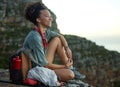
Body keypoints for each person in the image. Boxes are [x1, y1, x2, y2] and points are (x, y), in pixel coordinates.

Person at [23, 2, 85, 82]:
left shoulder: (45, 32)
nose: (50, 19)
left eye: (50, 16)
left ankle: (71, 68)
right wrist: (64, 66)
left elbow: (60, 36)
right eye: (46, 16)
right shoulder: (35, 37)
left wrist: (67, 48)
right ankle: (69, 69)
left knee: (57, 39)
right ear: (38, 20)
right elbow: (45, 65)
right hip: (36, 70)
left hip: (42, 65)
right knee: (70, 74)